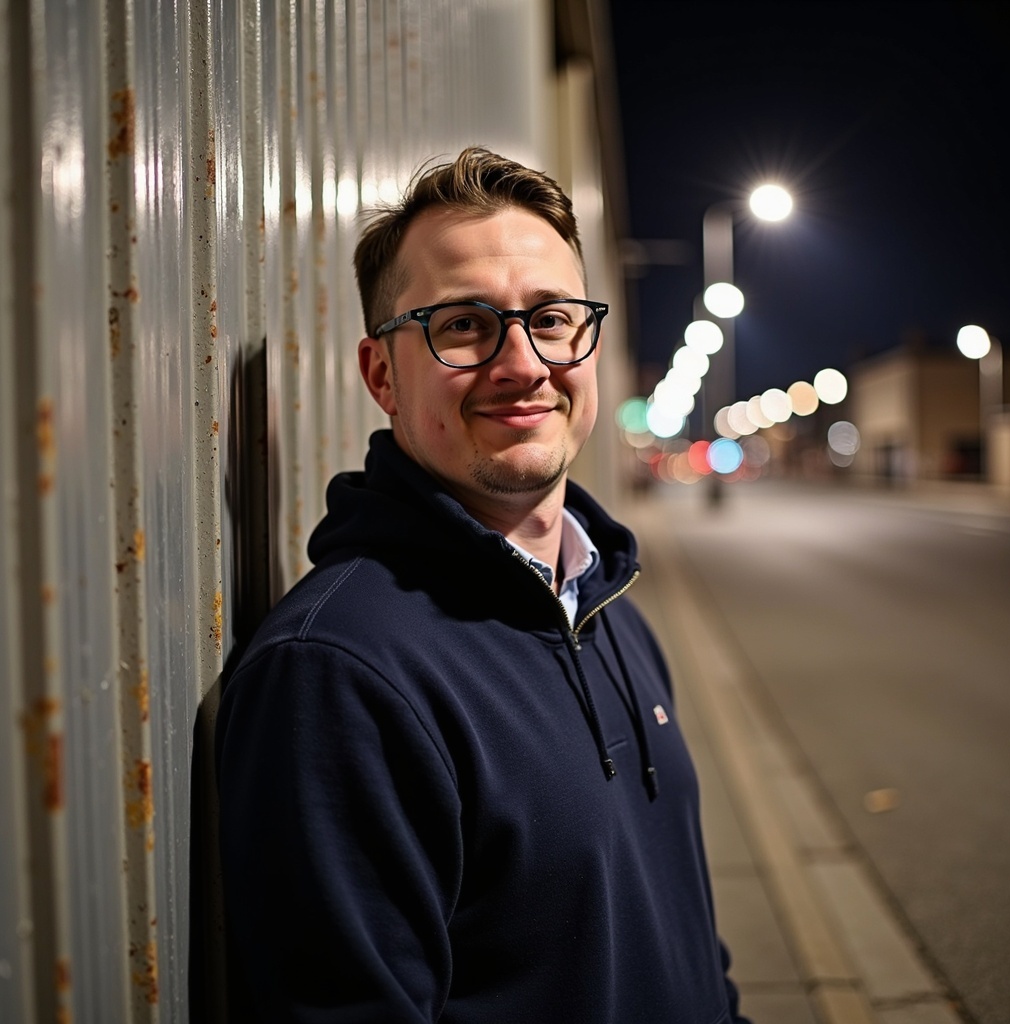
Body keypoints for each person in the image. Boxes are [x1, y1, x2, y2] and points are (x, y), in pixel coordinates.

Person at [216, 147, 751, 1023]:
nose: (522, 363)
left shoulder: (609, 608)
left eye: (551, 319)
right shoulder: (337, 676)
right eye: (463, 325)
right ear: (383, 373)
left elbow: (685, 939)